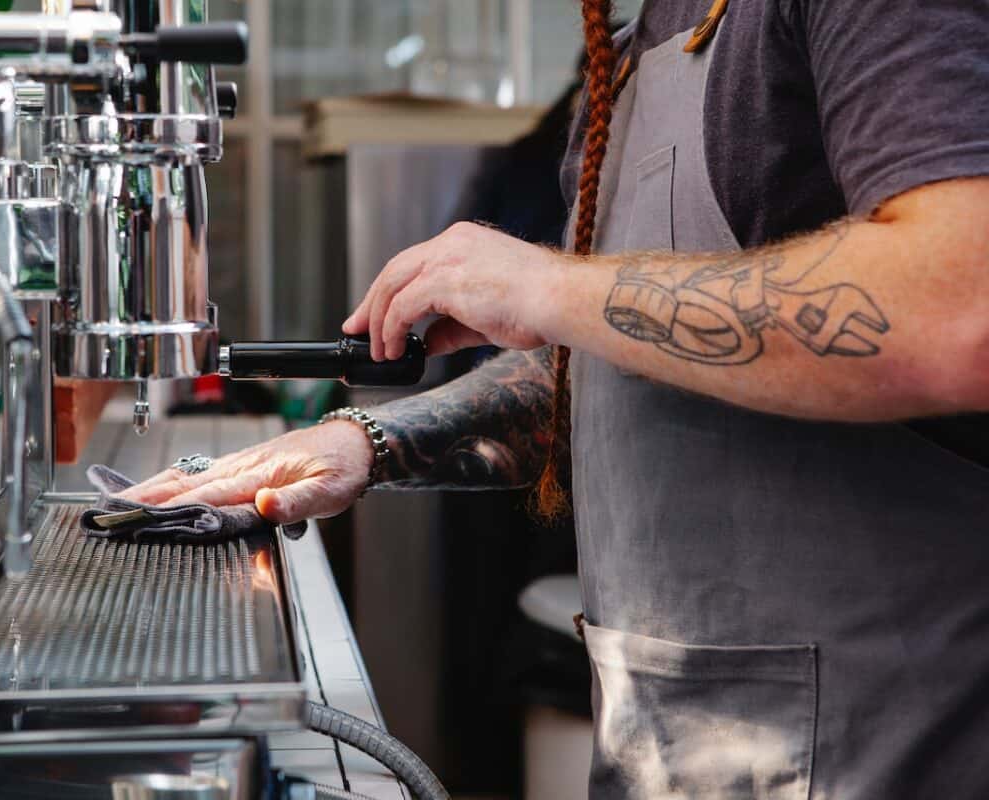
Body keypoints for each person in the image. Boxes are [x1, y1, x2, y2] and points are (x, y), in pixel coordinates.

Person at [124, 0, 989, 796]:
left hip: (891, 747)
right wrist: (366, 443)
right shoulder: (632, 47)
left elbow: (957, 308)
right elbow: (621, 366)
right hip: (676, 749)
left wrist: (549, 288)